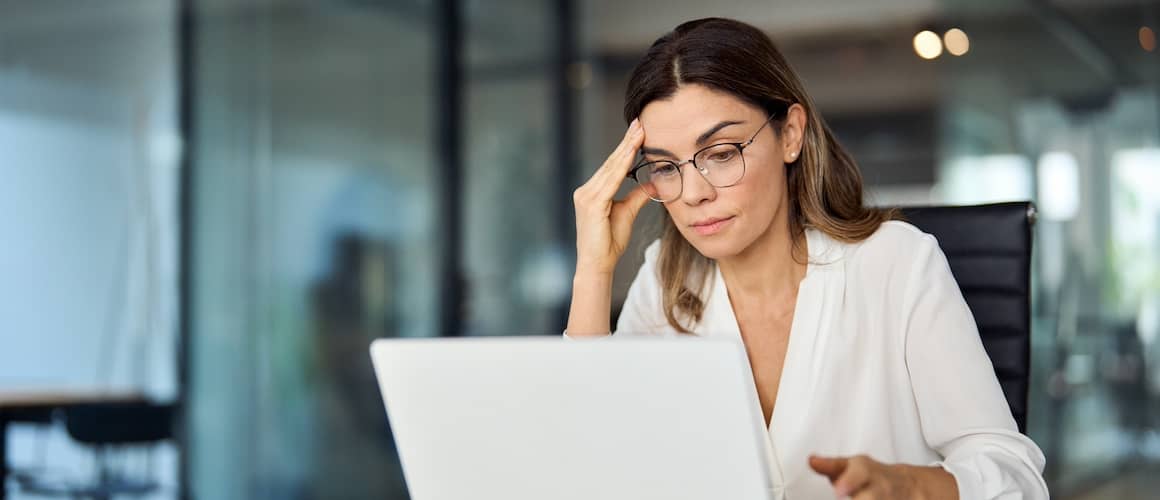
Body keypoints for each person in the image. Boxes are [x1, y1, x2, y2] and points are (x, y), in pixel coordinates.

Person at [565, 17, 1048, 500]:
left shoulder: (895, 264)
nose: (693, 193)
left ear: (790, 133)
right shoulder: (665, 284)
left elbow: (1014, 473)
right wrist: (594, 269)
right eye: (666, 166)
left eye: (722, 152)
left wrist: (911, 486)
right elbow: (590, 469)